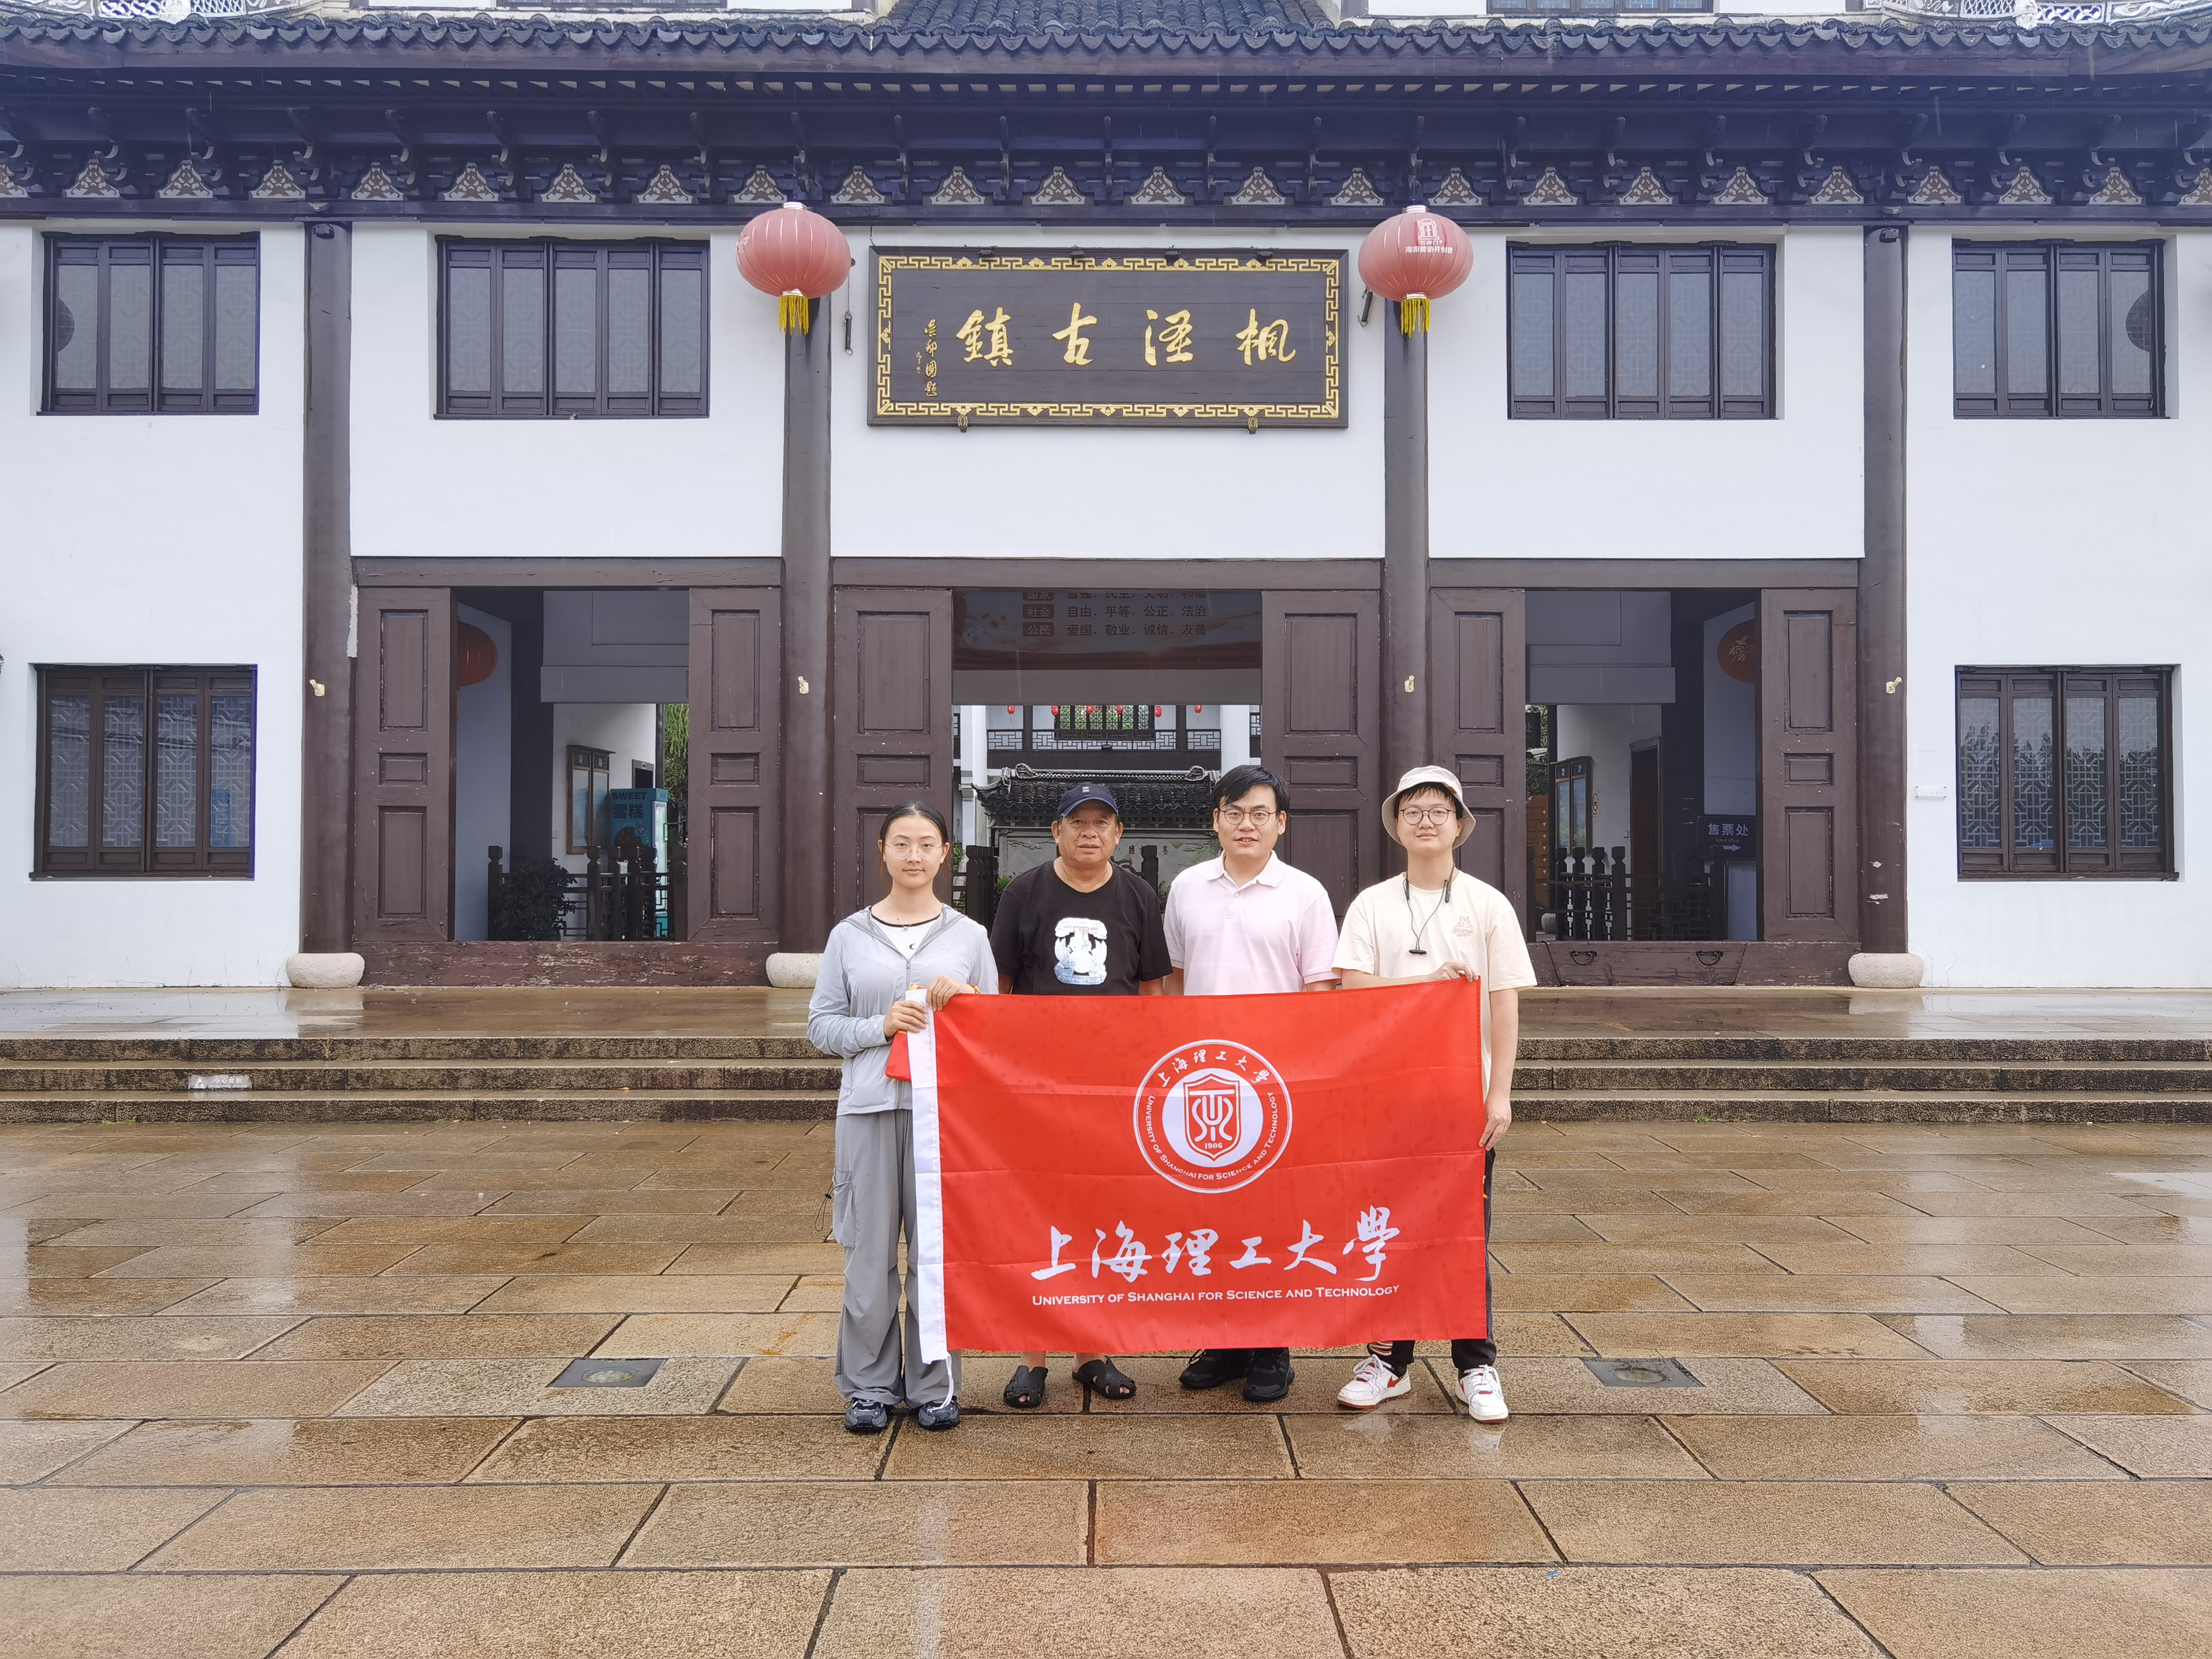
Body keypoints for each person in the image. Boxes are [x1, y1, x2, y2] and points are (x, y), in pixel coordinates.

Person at [1330, 765, 1534, 1424]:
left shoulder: (1487, 904)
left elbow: (1503, 1004)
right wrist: (1427, 987)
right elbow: (1352, 986)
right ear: (1396, 824)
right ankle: (1389, 1361)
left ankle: (1476, 1365)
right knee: (1388, 1228)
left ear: (1458, 825)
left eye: (1438, 811)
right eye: (1412, 810)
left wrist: (1498, 1094)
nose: (1425, 821)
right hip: (1387, 1095)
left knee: (1464, 1230)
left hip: (1461, 1096)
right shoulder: (1372, 904)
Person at [807, 802, 997, 1435]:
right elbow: (821, 1026)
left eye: (926, 844)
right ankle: (868, 1388)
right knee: (867, 1253)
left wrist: (968, 1001)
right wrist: (880, 1025)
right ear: (883, 851)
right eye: (902, 843)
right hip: (867, 1111)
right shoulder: (848, 935)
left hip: (943, 1117)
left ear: (945, 854)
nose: (914, 856)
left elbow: (994, 1030)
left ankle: (935, 1386)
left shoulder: (969, 936)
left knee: (937, 1255)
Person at [989, 781, 1172, 1410]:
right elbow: (1000, 985)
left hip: (1111, 1084)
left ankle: (1091, 1350)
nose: (1089, 832)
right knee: (1036, 1209)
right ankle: (1032, 1356)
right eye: (1077, 822)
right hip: (1037, 1084)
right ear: (1056, 831)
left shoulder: (1138, 896)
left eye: (1101, 823)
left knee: (1101, 1211)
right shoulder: (1025, 892)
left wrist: (1145, 1073)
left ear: (1118, 834)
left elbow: (1151, 991)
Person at [1162, 763, 1340, 1404]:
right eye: (1233, 812)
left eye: (1259, 813)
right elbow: (1176, 978)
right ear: (1215, 820)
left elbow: (1321, 991)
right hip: (1204, 1081)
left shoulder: (1305, 894)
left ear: (1280, 823)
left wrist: (1304, 1072)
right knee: (1211, 1212)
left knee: (1274, 1215)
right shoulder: (1187, 888)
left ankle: (1272, 1348)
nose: (1246, 824)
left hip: (1274, 1084)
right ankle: (1225, 1341)